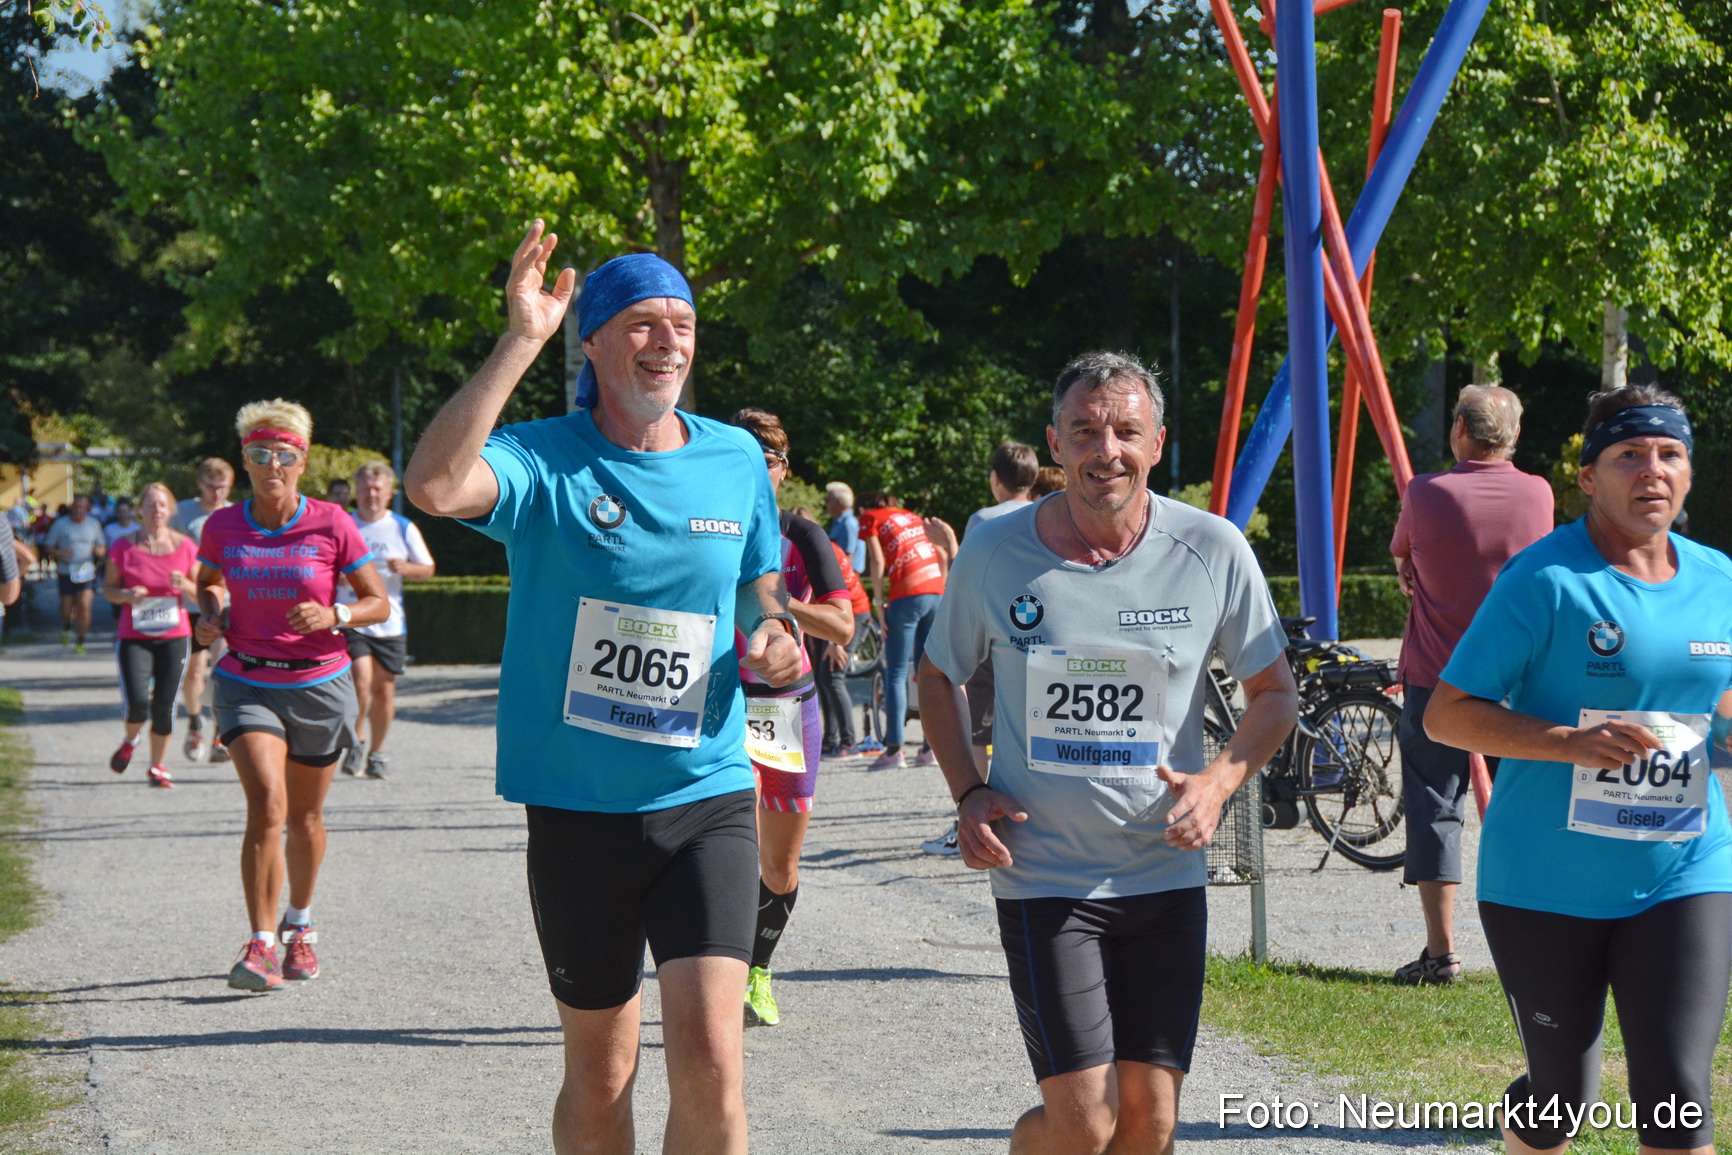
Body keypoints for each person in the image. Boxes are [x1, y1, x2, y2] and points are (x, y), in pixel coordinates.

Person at [404, 223, 801, 1155]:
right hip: (579, 810)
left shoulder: (735, 458)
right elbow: (431, 483)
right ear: (592, 340)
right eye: (641, 323)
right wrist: (520, 338)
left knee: (711, 1055)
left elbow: (757, 582)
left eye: (683, 323)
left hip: (704, 794)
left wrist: (772, 634)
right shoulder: (543, 459)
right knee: (602, 1071)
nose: (668, 340)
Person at [918, 351, 1298, 1155]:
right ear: (1055, 443)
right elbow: (938, 671)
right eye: (1085, 430)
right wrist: (967, 791)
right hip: (1046, 876)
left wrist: (1220, 781)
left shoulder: (1212, 548)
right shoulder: (994, 551)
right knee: (1083, 1123)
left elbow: (1276, 693)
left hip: (1163, 874)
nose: (1106, 449)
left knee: (1151, 1122)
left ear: (1157, 442)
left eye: (1126, 430)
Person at [1425, 384, 1732, 1155]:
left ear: (1689, 473)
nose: (1652, 470)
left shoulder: (1719, 581)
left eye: (1669, 455)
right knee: (1560, 1102)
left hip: (1685, 869)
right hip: (1544, 880)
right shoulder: (1546, 579)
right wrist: (1567, 742)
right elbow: (1447, 712)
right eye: (1629, 454)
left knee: (1679, 1097)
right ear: (1589, 477)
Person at [195, 400, 389, 992]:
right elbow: (208, 581)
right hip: (247, 679)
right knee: (268, 807)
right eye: (259, 455)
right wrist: (210, 612)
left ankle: (299, 926)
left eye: (284, 455)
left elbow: (377, 602)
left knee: (305, 818)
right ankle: (259, 944)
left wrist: (335, 612)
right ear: (245, 462)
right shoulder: (223, 525)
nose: (272, 465)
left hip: (320, 686)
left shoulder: (332, 521)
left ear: (301, 461)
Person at [1387, 385, 1553, 984]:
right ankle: (1541, 939)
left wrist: (1414, 567)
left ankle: (1440, 953)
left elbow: (1401, 551)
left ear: (1459, 429)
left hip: (1436, 675)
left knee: (1435, 806)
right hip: (1521, 682)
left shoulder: (1425, 492)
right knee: (1530, 805)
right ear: (1512, 436)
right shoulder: (1538, 492)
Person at [727, 409, 853, 1028]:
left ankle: (757, 970)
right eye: (745, 454)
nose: (758, 468)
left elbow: (844, 624)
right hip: (717, 705)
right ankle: (707, 972)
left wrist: (779, 608)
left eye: (770, 459)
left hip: (785, 708)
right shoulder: (702, 526)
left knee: (778, 864)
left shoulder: (801, 535)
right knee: (717, 843)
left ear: (783, 471)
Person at [338, 461, 436, 780]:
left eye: (378, 488)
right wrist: (336, 577)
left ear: (390, 493)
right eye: (365, 488)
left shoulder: (402, 527)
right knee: (360, 679)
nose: (371, 494)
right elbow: (321, 565)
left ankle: (377, 753)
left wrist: (406, 568)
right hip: (352, 616)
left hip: (390, 621)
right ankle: (356, 740)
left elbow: (428, 568)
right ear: (356, 492)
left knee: (384, 691)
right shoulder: (344, 524)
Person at [103, 484, 199, 788]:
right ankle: (131, 739)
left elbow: (202, 592)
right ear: (139, 510)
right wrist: (126, 595)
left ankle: (157, 766)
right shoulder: (122, 546)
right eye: (151, 505)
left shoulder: (185, 546)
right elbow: (108, 589)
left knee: (165, 704)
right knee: (137, 702)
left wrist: (184, 584)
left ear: (170, 510)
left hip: (175, 634)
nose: (157, 511)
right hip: (134, 635)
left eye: (162, 505)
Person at [859, 492, 946, 771]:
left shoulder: (869, 517)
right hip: (935, 592)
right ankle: (929, 749)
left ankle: (895, 749)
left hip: (905, 596)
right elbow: (942, 554)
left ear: (865, 507)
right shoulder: (912, 516)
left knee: (895, 672)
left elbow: (876, 560)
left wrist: (878, 602)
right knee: (927, 672)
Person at [174, 457, 235, 763]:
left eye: (222, 486)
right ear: (200, 484)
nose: (216, 492)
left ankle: (221, 733)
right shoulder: (181, 513)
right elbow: (169, 552)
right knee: (195, 669)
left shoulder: (237, 514)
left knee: (224, 667)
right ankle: (196, 721)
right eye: (211, 486)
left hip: (228, 603)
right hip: (192, 603)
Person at [44, 494, 105, 654]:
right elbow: (48, 546)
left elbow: (102, 546)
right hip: (66, 570)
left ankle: (80, 641)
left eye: (82, 507)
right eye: (76, 507)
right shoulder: (60, 524)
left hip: (87, 570)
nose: (78, 510)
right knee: (67, 607)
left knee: (84, 605)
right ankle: (66, 626)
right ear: (72, 507)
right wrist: (60, 552)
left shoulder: (93, 524)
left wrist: (99, 551)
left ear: (87, 509)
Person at [965, 440, 1038, 536]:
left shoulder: (982, 520)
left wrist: (950, 541)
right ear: (1033, 480)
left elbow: (969, 551)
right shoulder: (1043, 519)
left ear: (995, 478)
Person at [825, 482, 865, 574]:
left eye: (828, 499)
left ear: (839, 502)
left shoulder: (848, 523)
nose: (825, 503)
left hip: (846, 579)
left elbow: (847, 557)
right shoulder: (839, 521)